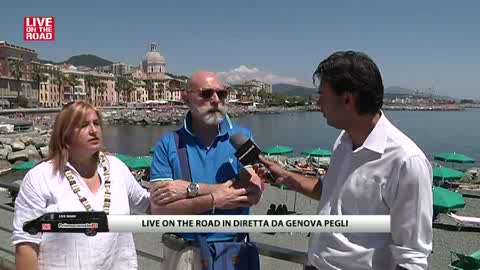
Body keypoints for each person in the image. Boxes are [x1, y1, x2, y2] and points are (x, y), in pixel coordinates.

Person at [254, 51, 433, 270]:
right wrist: (286, 177)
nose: (318, 104)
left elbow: (413, 256)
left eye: (322, 95)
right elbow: (329, 192)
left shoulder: (407, 161)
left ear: (347, 99)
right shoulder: (343, 141)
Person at [12, 101, 151, 270]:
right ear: (65, 134)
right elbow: (26, 245)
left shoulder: (116, 168)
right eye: (84, 125)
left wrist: (183, 193)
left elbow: (148, 204)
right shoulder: (40, 178)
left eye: (96, 123)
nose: (93, 130)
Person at [149, 70, 263, 270]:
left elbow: (252, 194)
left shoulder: (241, 137)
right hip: (185, 254)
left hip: (234, 251)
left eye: (222, 94)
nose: (216, 99)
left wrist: (191, 189)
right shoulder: (168, 144)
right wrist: (215, 199)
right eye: (206, 93)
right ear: (186, 98)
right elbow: (159, 210)